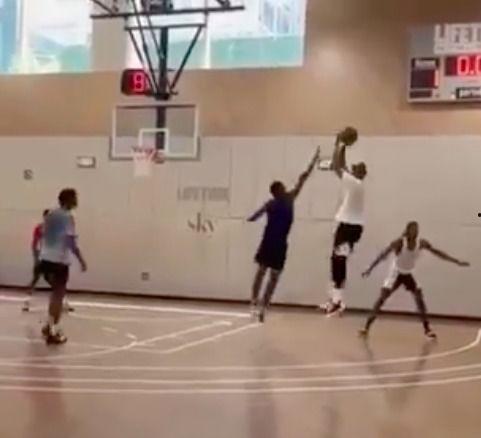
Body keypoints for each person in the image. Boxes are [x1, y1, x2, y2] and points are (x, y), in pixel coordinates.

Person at [359, 221, 470, 339]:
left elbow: (438, 253)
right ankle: (366, 327)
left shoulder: (421, 243)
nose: (415, 231)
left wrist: (456, 261)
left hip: (409, 272)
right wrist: (369, 269)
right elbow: (383, 254)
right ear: (408, 230)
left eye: (416, 229)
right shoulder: (400, 242)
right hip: (396, 272)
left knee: (419, 299)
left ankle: (427, 329)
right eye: (413, 229)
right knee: (382, 298)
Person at [248, 147, 320, 323]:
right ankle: (255, 302)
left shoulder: (287, 199)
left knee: (271, 276)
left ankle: (263, 306)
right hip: (270, 242)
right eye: (281, 187)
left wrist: (313, 162)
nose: (285, 188)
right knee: (262, 273)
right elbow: (256, 215)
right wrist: (248, 219)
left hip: (279, 243)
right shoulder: (276, 202)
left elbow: (303, 178)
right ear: (276, 191)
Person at [322, 127, 367, 316]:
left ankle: (338, 301)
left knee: (338, 260)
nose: (353, 168)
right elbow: (342, 165)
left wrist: (339, 144)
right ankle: (335, 299)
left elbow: (337, 165)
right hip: (353, 227)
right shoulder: (356, 183)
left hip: (348, 227)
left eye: (356, 167)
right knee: (338, 260)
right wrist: (341, 147)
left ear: (360, 173)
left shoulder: (354, 183)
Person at [38, 189, 87, 345]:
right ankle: (53, 330)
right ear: (68, 200)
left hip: (45, 258)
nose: (77, 200)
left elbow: (44, 234)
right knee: (58, 295)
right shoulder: (68, 217)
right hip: (59, 261)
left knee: (55, 295)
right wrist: (81, 259)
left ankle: (49, 325)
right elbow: (70, 241)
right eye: (75, 197)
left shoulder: (51, 214)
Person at [23, 210, 74, 313]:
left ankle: (63, 302)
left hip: (52, 259)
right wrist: (36, 258)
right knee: (35, 279)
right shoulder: (40, 228)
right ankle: (27, 301)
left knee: (57, 282)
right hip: (43, 257)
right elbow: (35, 243)